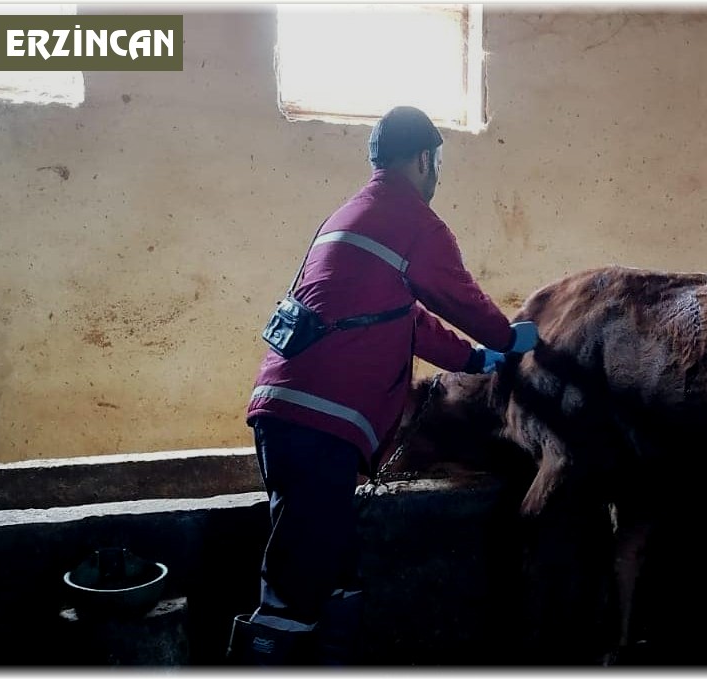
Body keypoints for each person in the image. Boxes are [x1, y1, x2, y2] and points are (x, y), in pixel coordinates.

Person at [228, 105, 539, 665]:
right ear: (424, 159)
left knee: (334, 563)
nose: (437, 176)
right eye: (437, 164)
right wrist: (505, 337)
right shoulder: (414, 221)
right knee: (296, 582)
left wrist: (472, 358)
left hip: (284, 413)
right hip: (318, 421)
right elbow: (456, 295)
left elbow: (406, 321)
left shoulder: (348, 214)